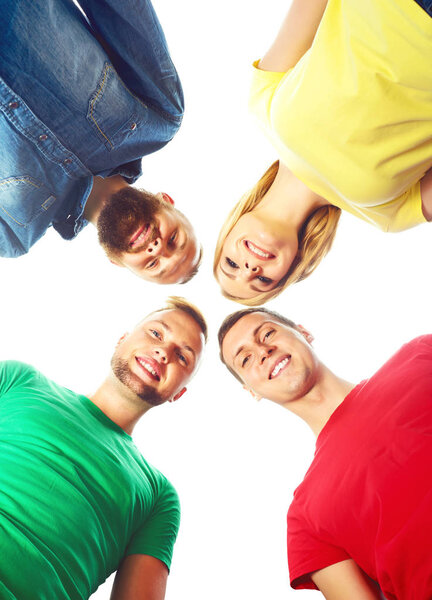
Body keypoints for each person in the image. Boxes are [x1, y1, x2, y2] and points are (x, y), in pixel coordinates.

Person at [214, 0, 432, 305]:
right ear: (293, 268)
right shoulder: (388, 217)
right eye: (262, 280)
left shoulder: (261, 108)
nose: (250, 268)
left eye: (231, 264)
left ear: (227, 233)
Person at [0, 296, 207, 600]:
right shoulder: (19, 380)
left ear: (179, 393)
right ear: (122, 339)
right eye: (156, 333)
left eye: (182, 357)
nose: (164, 352)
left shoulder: (159, 497)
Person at [218, 306, 432, 600]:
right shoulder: (304, 520)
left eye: (267, 333)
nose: (263, 351)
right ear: (251, 390)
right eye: (245, 358)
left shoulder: (420, 355)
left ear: (304, 333)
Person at [0, 0, 201, 284]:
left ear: (116, 263)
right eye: (174, 239)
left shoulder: (12, 235)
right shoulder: (158, 116)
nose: (157, 247)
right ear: (166, 201)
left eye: (154, 264)